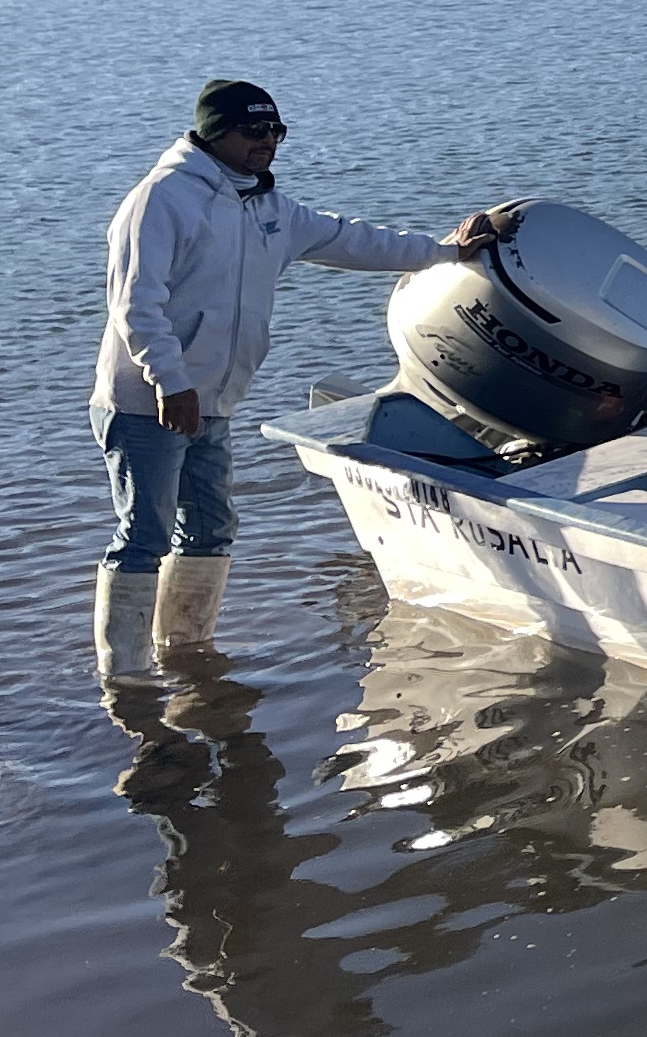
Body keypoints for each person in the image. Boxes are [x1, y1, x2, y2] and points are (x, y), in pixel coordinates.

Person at [94, 79, 498, 680]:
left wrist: (445, 253)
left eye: (276, 131)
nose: (269, 143)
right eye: (254, 131)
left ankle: (185, 659)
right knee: (144, 535)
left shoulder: (268, 208)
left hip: (213, 401)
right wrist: (169, 383)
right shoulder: (162, 199)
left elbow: (353, 239)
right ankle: (124, 677)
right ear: (214, 133)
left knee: (210, 529)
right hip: (148, 402)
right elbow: (136, 306)